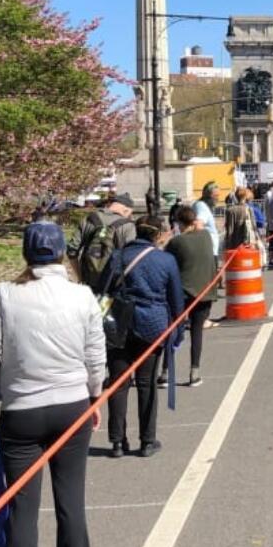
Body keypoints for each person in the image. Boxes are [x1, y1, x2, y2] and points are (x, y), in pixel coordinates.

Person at [0, 222, 105, 547]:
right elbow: (95, 357)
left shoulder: (5, 295)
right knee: (71, 503)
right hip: (71, 404)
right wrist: (93, 395)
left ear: (26, 255)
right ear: (63, 253)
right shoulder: (82, 296)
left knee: (22, 509)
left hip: (22, 409)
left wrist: (7, 376)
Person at [101, 217, 184, 458]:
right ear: (158, 234)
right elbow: (176, 298)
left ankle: (117, 441)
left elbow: (102, 291)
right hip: (153, 323)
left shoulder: (117, 257)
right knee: (147, 383)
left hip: (119, 323)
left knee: (118, 383)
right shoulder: (166, 260)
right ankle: (147, 440)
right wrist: (177, 331)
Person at [161, 206, 216, 388]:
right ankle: (195, 371)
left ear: (179, 223)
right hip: (204, 291)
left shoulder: (177, 242)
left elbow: (166, 262)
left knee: (173, 330)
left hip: (182, 292)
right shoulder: (206, 236)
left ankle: (165, 372)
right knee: (197, 331)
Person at [67, 193, 136, 293]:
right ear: (125, 210)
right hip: (114, 282)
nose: (130, 216)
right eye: (130, 213)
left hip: (89, 279)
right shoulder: (128, 226)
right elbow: (131, 256)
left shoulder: (88, 219)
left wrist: (79, 276)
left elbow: (72, 251)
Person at [193, 182, 221, 258]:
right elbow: (198, 225)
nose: (218, 198)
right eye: (216, 196)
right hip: (208, 253)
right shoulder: (202, 206)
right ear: (208, 196)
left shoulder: (202, 206)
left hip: (209, 251)